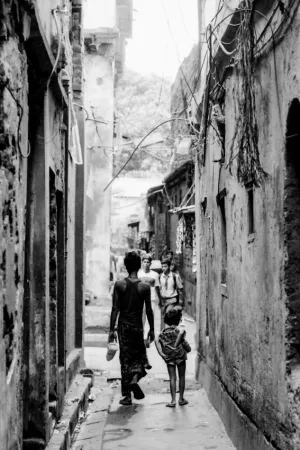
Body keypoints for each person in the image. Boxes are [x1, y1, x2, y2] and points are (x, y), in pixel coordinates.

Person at [109, 251, 154, 406]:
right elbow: (149, 310)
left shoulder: (119, 285)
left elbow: (115, 309)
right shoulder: (144, 287)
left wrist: (111, 330)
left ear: (126, 266)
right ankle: (135, 379)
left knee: (125, 359)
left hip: (123, 327)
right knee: (140, 357)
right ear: (139, 265)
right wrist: (152, 329)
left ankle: (127, 396)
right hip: (137, 327)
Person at [155, 307, 191, 407]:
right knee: (182, 377)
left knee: (172, 378)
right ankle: (181, 399)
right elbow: (186, 345)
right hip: (180, 357)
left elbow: (156, 341)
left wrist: (162, 354)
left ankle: (173, 400)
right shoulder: (179, 332)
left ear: (166, 320)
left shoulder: (163, 333)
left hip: (169, 358)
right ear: (178, 320)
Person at [159, 259, 184, 329]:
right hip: (163, 300)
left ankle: (170, 333)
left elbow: (181, 289)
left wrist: (180, 302)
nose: (163, 268)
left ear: (169, 266)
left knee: (169, 316)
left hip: (172, 300)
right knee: (163, 318)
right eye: (162, 266)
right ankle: (163, 333)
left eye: (165, 266)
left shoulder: (175, 276)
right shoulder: (160, 276)